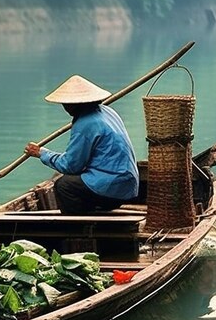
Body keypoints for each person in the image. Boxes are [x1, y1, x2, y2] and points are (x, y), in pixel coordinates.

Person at [24, 74, 139, 215]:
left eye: (66, 103)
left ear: (74, 104)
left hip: (113, 187)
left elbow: (70, 166)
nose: (65, 107)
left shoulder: (86, 124)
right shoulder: (108, 111)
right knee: (70, 178)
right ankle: (93, 212)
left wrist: (42, 153)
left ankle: (77, 229)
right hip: (128, 185)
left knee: (63, 185)